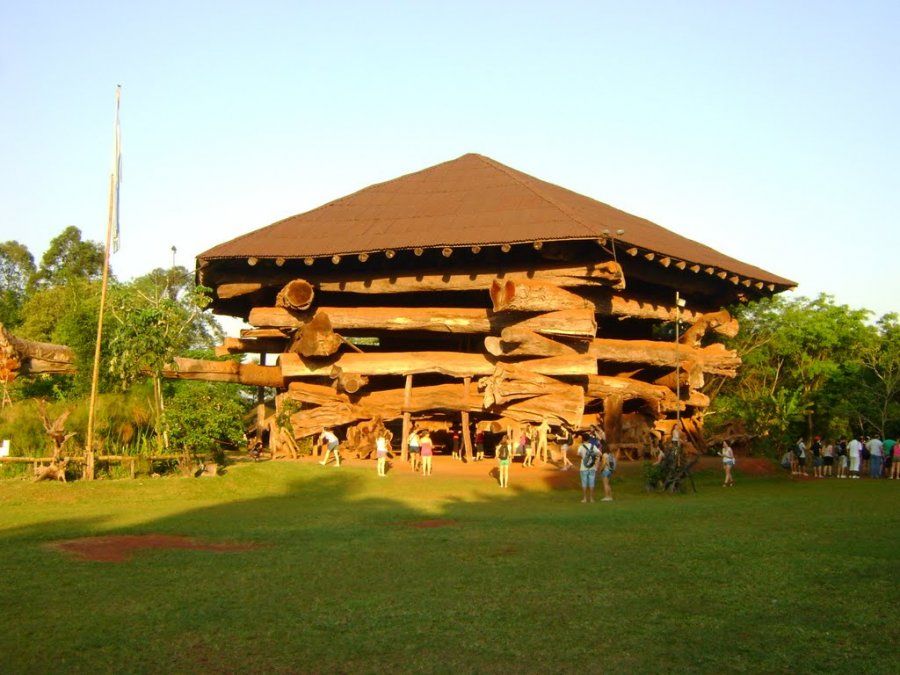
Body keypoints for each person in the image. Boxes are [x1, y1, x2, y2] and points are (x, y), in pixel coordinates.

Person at [577, 435, 600, 503]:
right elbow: (599, 453)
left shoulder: (581, 446)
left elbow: (577, 454)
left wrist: (583, 456)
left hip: (583, 467)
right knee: (591, 483)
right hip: (592, 467)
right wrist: (594, 458)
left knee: (584, 483)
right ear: (589, 439)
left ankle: (584, 498)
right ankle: (592, 498)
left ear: (583, 439)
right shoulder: (593, 446)